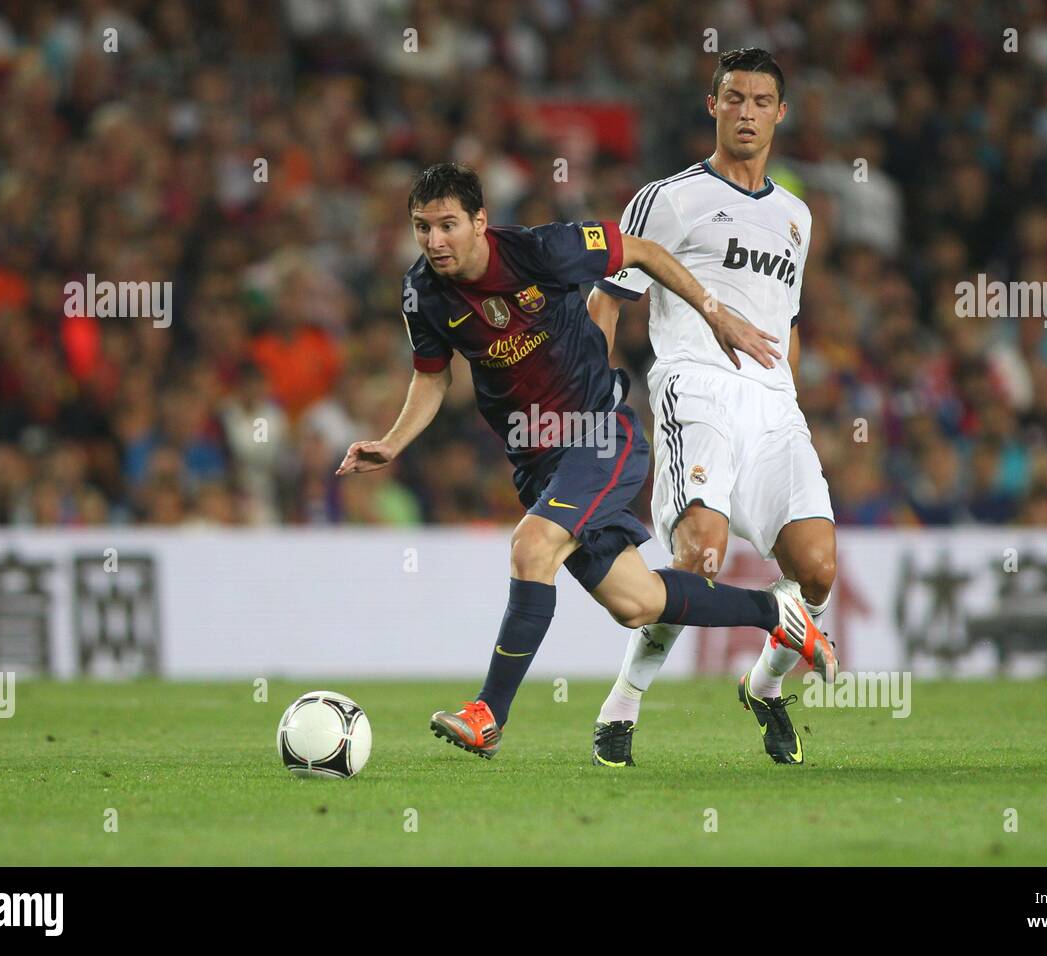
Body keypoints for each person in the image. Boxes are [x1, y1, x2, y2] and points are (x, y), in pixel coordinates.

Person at [337, 162, 835, 760]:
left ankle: (488, 713)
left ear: (479, 222)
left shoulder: (541, 251)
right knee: (638, 602)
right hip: (537, 459)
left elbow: (644, 252)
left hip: (599, 434)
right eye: (422, 228)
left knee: (531, 546)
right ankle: (774, 611)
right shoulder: (421, 290)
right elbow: (433, 375)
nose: (434, 241)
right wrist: (393, 441)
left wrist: (711, 309)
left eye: (447, 225)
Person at [588, 48, 838, 767]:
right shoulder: (668, 198)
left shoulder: (797, 217)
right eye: (734, 99)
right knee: (699, 556)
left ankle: (763, 687)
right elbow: (609, 298)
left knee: (816, 567)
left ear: (781, 114)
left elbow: (785, 327)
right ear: (713, 106)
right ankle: (622, 707)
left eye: (762, 101)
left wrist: (791, 409)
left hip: (774, 406)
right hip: (695, 386)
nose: (748, 113)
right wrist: (590, 402)